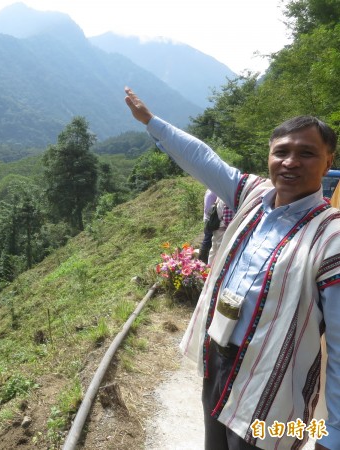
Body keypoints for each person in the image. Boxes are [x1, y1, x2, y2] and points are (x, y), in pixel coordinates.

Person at [124, 86, 340, 450]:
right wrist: (151, 122)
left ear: (328, 159)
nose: (290, 162)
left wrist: (333, 433)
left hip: (273, 384)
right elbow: (203, 158)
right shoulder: (252, 195)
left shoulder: (331, 236)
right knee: (215, 443)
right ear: (269, 156)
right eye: (281, 152)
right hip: (219, 355)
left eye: (306, 153)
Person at [207, 197, 234, 265]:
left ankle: (208, 268)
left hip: (217, 226)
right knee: (220, 251)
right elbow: (228, 220)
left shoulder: (220, 196)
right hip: (223, 229)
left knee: (214, 250)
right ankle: (216, 271)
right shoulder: (228, 199)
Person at [198, 189, 218, 263]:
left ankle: (203, 257)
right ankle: (202, 258)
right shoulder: (212, 192)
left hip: (210, 218)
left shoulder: (210, 191)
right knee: (208, 238)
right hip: (211, 219)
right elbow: (208, 208)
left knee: (209, 237)